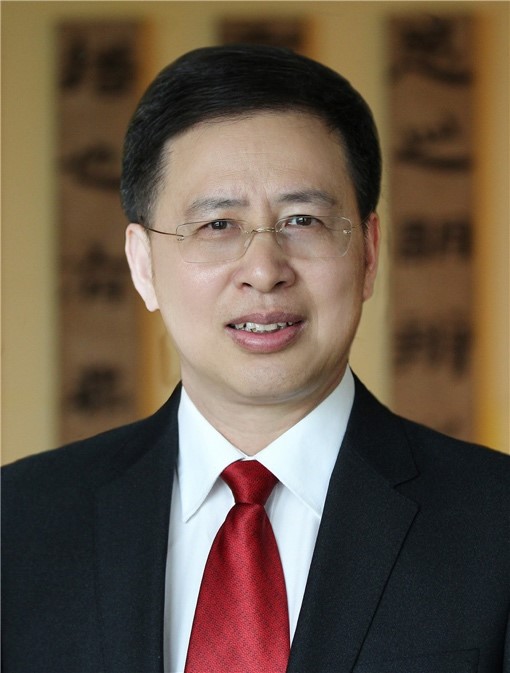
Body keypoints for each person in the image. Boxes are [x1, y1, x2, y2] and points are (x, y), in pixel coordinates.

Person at [2, 44, 509, 673]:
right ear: (143, 264)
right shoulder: (17, 524)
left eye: (303, 220)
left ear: (369, 252)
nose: (265, 271)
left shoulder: (496, 524)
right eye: (218, 225)